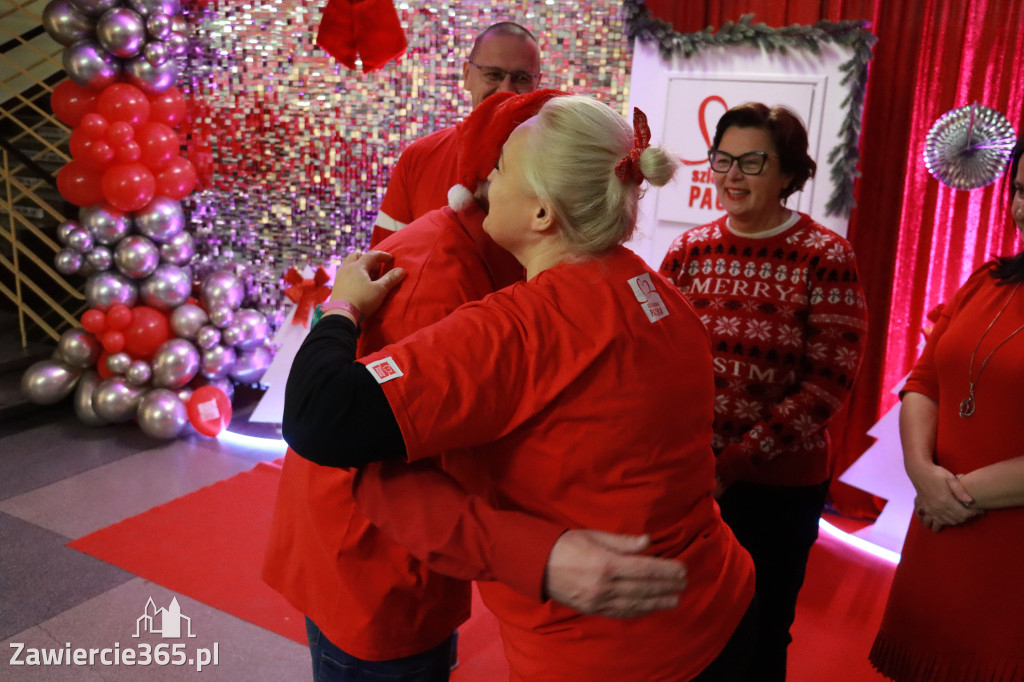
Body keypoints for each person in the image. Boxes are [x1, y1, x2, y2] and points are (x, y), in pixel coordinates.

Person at [283, 95, 757, 681]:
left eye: (502, 168)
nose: (486, 180)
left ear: (541, 214)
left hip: (607, 654)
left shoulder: (527, 325)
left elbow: (316, 414)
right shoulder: (655, 291)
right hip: (715, 602)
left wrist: (341, 308)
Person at [659, 102, 868, 682]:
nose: (732, 175)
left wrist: (741, 457)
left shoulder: (825, 256)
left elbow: (829, 382)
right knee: (687, 627)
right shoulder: (688, 251)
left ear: (788, 173)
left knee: (762, 625)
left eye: (751, 161)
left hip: (776, 487)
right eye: (723, 159)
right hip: (690, 478)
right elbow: (656, 358)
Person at [869, 139, 1024, 682]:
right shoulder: (988, 282)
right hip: (941, 528)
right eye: (1021, 191)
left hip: (1008, 548)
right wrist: (921, 473)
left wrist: (952, 495)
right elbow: (925, 380)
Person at [371, 21, 541, 244]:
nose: (506, 90)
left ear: (537, 84)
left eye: (521, 78)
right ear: (466, 74)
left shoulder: (557, 166)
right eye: (493, 74)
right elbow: (383, 261)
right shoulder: (418, 158)